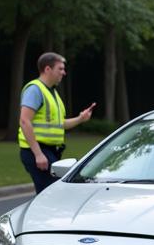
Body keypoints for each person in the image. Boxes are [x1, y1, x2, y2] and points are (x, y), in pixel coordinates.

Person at [18, 52, 96, 193]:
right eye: (60, 69)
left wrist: (80, 118)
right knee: (51, 194)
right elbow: (24, 120)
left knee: (50, 194)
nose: (64, 73)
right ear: (47, 69)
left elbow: (59, 125)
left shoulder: (52, 93)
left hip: (49, 152)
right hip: (38, 151)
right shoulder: (35, 90)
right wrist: (38, 154)